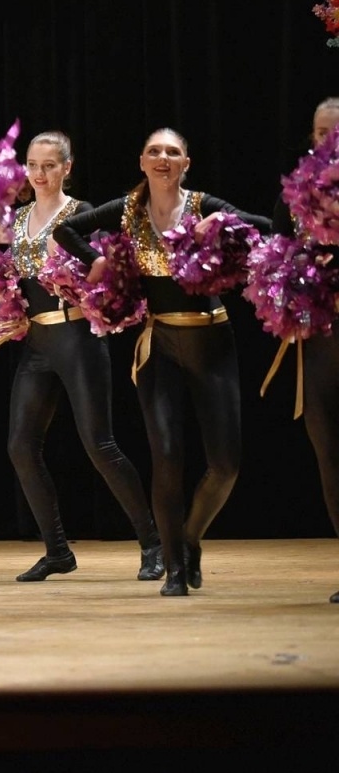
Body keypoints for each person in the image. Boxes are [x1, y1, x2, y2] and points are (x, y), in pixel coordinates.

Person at [55, 128, 270, 596]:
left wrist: (221, 227)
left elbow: (265, 228)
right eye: (155, 151)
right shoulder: (128, 211)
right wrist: (96, 260)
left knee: (225, 465)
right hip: (159, 349)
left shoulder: (202, 206)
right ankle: (174, 567)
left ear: (186, 163)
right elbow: (65, 230)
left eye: (173, 152)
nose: (163, 158)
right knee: (167, 460)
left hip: (212, 343)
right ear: (142, 161)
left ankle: (190, 539)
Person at [0, 133, 161, 582]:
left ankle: (152, 544)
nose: (40, 173)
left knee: (99, 445)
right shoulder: (16, 220)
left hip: (77, 339)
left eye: (50, 165)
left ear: (67, 167)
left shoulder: (81, 214)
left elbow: (108, 277)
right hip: (36, 345)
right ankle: (57, 551)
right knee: (20, 446)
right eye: (33, 164)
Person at [271, 98, 339, 601]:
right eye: (321, 132)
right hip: (318, 343)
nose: (329, 140)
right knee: (330, 454)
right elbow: (275, 252)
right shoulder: (294, 194)